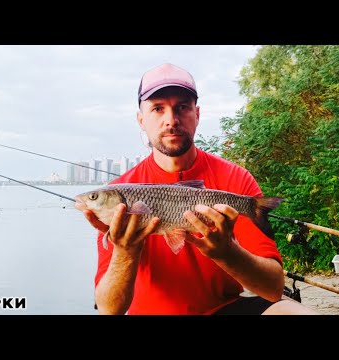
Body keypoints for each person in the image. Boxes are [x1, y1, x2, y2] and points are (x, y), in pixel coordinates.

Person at [79, 63, 319, 315]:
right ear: (141, 120)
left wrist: (228, 253)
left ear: (197, 114)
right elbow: (108, 309)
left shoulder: (235, 178)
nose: (171, 120)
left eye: (182, 107)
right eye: (157, 109)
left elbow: (272, 288)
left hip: (224, 309)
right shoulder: (120, 193)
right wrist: (125, 251)